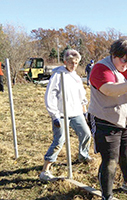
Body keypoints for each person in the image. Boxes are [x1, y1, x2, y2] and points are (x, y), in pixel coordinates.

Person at [88, 39, 127, 199]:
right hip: (104, 120)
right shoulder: (100, 68)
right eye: (123, 60)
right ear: (114, 55)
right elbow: (109, 90)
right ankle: (107, 195)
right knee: (110, 160)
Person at [39, 49, 94, 181]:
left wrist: (84, 110)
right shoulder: (58, 75)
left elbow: (81, 95)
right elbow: (50, 96)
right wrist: (54, 115)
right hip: (61, 114)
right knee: (59, 140)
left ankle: (83, 154)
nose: (73, 65)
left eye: (75, 63)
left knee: (86, 133)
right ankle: (45, 171)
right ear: (65, 62)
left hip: (76, 113)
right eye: (70, 62)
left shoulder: (76, 77)